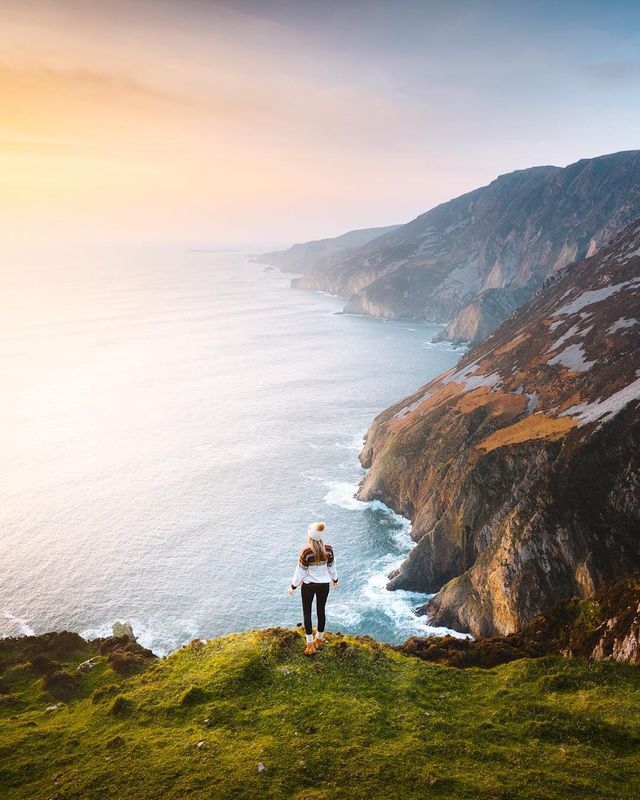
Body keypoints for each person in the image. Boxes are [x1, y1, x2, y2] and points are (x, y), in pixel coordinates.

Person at [288, 521, 338, 655]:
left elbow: (300, 572)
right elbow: (331, 567)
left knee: (307, 613)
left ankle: (310, 645)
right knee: (321, 611)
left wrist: (293, 586)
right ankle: (319, 640)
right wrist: (335, 579)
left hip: (308, 586)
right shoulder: (328, 550)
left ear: (310, 537)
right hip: (324, 585)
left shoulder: (306, 552)